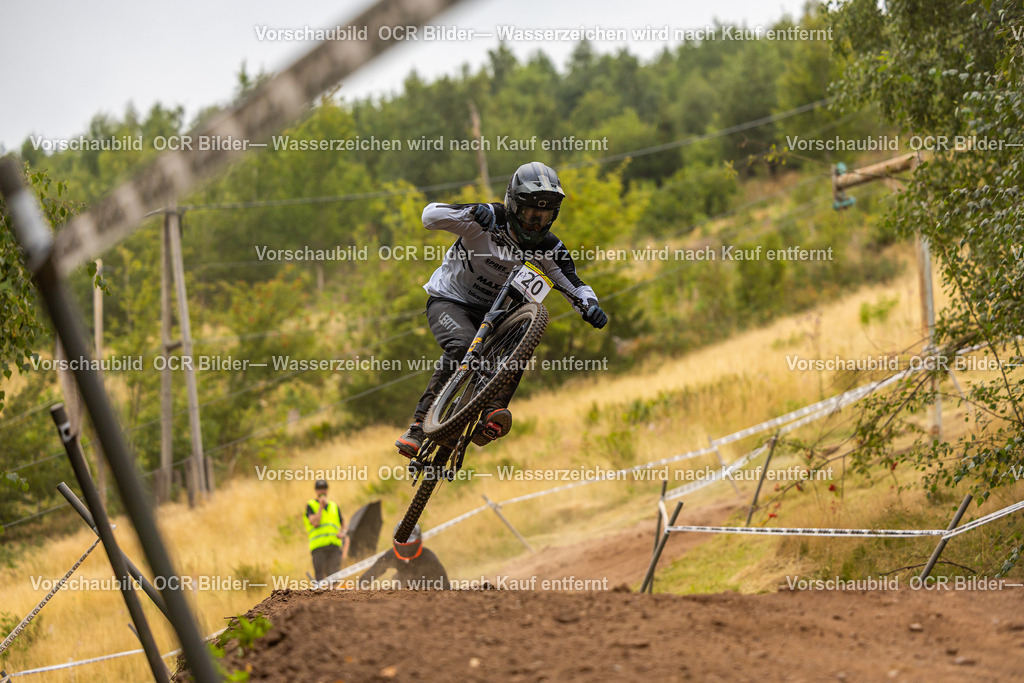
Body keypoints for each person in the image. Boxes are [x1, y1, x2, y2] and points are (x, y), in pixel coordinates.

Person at [396, 161, 608, 457]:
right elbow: (429, 216)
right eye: (530, 214)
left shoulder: (548, 248)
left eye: (543, 216)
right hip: (450, 300)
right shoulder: (487, 220)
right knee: (461, 346)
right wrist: (473, 210)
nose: (535, 223)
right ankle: (418, 426)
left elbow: (575, 285)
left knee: (523, 339)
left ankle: (493, 413)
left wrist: (591, 306)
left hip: (496, 316)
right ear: (512, 205)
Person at [359, 524, 450, 590]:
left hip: (426, 590)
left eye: (410, 546)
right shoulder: (391, 555)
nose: (406, 550)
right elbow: (372, 572)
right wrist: (360, 587)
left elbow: (445, 583)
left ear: (418, 542)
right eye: (403, 546)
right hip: (402, 590)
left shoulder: (428, 557)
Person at [303, 479, 348, 580]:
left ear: (327, 490)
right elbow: (314, 522)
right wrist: (321, 507)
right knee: (320, 577)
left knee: (334, 577)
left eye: (324, 488)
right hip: (319, 547)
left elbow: (343, 523)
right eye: (319, 489)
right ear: (316, 490)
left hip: (334, 547)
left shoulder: (334, 506)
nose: (322, 491)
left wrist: (343, 532)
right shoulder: (311, 505)